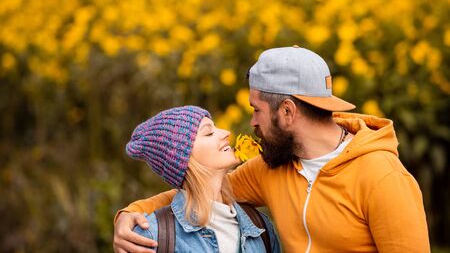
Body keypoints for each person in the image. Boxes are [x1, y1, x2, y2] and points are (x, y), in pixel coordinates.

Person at [114, 46, 430, 253]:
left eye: (257, 110)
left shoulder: (383, 179)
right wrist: (130, 215)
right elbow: (197, 190)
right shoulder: (270, 169)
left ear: (288, 112)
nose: (251, 122)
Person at [120, 105, 281, 253]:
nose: (226, 133)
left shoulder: (260, 227)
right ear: (184, 160)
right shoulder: (151, 236)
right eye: (209, 133)